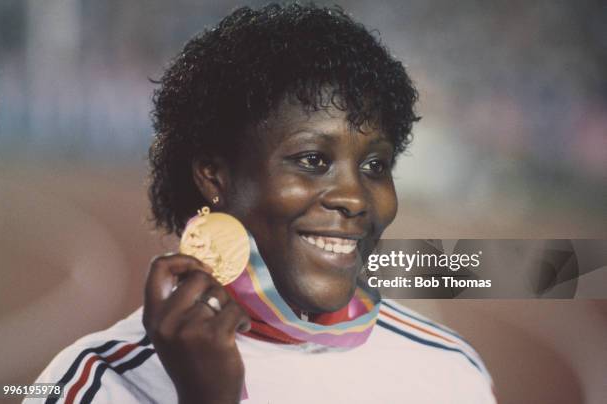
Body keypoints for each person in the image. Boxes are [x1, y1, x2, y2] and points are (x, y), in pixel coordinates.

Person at [30, 4, 496, 403]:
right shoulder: (94, 383)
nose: (354, 198)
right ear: (215, 176)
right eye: (313, 159)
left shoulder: (450, 372)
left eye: (375, 166)